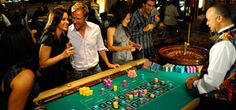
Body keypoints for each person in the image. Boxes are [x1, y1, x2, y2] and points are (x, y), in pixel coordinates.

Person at [186, 4, 236, 109]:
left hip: (219, 101)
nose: (207, 23)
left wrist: (194, 84)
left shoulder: (223, 44)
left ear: (219, 18)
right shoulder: (233, 34)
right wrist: (200, 77)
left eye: (209, 20)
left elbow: (213, 82)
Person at [67, 2, 119, 80]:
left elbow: (100, 48)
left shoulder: (95, 28)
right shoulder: (68, 32)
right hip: (78, 73)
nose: (74, 21)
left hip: (96, 69)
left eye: (78, 18)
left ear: (86, 18)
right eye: (73, 18)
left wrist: (108, 64)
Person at [0, 24, 39, 110]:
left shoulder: (10, 63)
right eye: (31, 35)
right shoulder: (25, 76)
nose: (34, 37)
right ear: (24, 42)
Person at [38, 7, 74, 91]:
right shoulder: (48, 37)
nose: (67, 22)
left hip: (59, 73)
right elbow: (42, 63)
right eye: (63, 19)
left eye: (67, 19)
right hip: (49, 77)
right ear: (56, 21)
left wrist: (66, 49)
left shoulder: (62, 34)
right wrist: (63, 55)